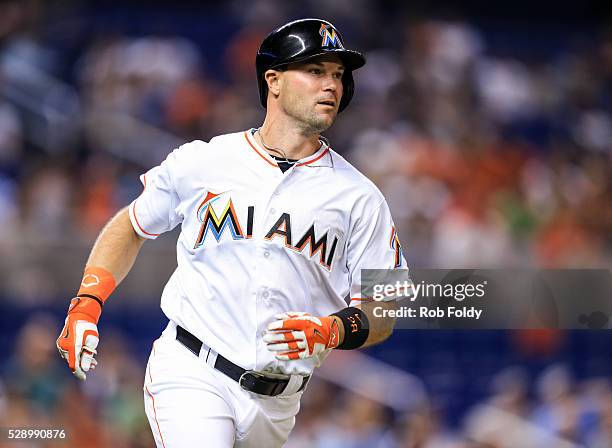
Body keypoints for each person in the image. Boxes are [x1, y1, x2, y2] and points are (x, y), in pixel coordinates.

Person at [56, 18, 408, 447]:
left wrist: (333, 329)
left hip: (278, 403)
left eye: (337, 75)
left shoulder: (361, 197)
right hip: (192, 369)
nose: (331, 84)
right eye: (315, 71)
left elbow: (383, 310)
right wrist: (87, 303)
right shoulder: (206, 160)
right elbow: (131, 225)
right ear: (273, 81)